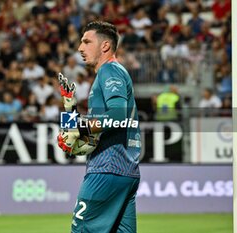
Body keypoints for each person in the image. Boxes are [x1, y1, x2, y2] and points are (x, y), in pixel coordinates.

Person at [57, 21, 141, 233]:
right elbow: (99, 125)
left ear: (105, 46)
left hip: (106, 169)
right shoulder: (109, 74)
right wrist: (70, 110)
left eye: (86, 42)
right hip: (125, 172)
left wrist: (78, 129)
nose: (80, 48)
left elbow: (117, 115)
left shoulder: (109, 71)